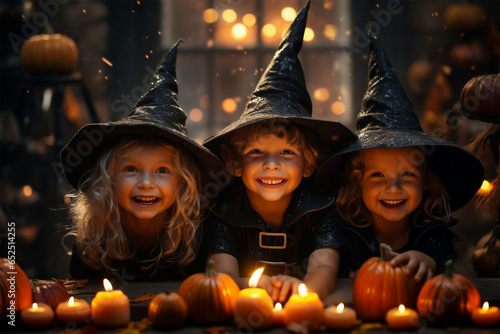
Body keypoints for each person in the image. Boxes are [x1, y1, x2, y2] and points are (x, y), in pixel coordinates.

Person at [203, 0, 356, 303]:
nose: (271, 165)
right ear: (234, 163)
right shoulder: (223, 208)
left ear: (309, 164)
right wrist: (260, 292)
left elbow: (325, 265)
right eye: (257, 153)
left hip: (300, 310)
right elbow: (223, 279)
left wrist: (303, 293)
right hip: (245, 310)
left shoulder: (322, 207)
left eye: (287, 153)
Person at [315, 32, 485, 282]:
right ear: (357, 181)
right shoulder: (342, 233)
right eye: (377, 175)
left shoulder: (434, 234)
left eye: (407, 174)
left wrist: (430, 262)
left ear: (427, 180)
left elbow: (455, 278)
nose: (393, 188)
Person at [60, 41, 223, 281]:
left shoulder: (197, 232)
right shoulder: (93, 236)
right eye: (131, 169)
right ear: (109, 180)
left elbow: (206, 295)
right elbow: (82, 298)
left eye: (162, 171)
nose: (146, 183)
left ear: (182, 183)